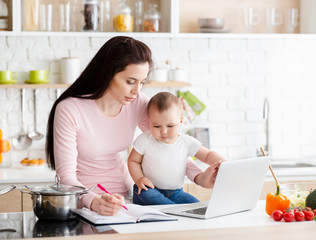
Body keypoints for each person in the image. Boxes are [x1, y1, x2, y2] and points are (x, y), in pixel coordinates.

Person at [45, 36, 221, 216]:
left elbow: (171, 144)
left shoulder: (137, 103)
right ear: (108, 73)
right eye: (130, 81)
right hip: (86, 204)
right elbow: (66, 178)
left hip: (127, 199)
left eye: (142, 82)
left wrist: (198, 177)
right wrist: (95, 202)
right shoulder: (69, 109)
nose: (137, 91)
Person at [128, 92, 226, 205]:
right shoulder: (145, 139)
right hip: (148, 189)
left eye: (170, 126)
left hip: (176, 193)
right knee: (154, 198)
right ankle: (173, 211)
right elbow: (133, 160)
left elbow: (207, 155)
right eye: (156, 126)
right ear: (149, 122)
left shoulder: (186, 141)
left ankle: (173, 210)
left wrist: (225, 164)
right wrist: (139, 178)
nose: (163, 131)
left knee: (198, 207)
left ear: (180, 121)